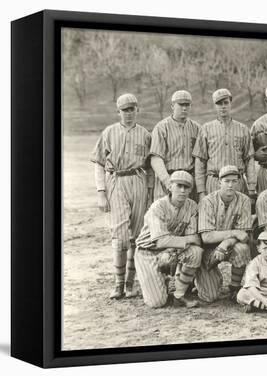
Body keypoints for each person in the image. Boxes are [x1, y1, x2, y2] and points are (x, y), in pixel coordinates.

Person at [90, 93, 153, 299]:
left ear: (138, 110)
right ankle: (118, 283)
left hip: (138, 181)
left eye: (132, 109)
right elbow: (99, 164)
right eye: (124, 110)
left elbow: (150, 167)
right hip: (116, 181)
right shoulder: (109, 132)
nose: (128, 113)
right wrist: (101, 192)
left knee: (136, 236)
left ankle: (130, 283)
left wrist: (150, 191)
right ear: (118, 112)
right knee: (120, 237)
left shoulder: (145, 134)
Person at [134, 171, 202, 308]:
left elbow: (193, 241)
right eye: (179, 186)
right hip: (148, 251)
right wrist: (188, 239)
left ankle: (179, 295)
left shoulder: (192, 206)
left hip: (173, 250)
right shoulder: (158, 206)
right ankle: (160, 281)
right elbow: (161, 241)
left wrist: (172, 250)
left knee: (195, 252)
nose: (182, 190)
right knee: (157, 302)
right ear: (170, 187)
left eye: (186, 187)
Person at [194, 165, 253, 303]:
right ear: (219, 182)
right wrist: (233, 233)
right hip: (206, 251)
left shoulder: (244, 200)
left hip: (227, 246)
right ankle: (194, 279)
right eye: (226, 181)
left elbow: (243, 234)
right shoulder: (207, 201)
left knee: (243, 248)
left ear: (238, 182)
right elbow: (206, 237)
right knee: (210, 296)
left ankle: (234, 288)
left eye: (234, 181)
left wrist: (225, 244)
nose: (230, 185)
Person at [192, 88, 257, 200]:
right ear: (214, 106)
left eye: (226, 103)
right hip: (214, 182)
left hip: (237, 182)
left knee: (237, 214)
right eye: (219, 103)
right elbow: (200, 162)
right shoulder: (206, 129)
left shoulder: (243, 129)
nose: (223, 106)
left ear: (231, 103)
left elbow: (249, 160)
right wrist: (201, 190)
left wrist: (251, 187)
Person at [150, 90, 200, 201]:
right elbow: (156, 159)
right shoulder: (161, 127)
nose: (184, 108)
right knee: (165, 215)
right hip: (168, 179)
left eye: (187, 105)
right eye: (181, 104)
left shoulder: (197, 128)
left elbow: (200, 160)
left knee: (189, 215)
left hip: (189, 181)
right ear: (172, 106)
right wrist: (168, 183)